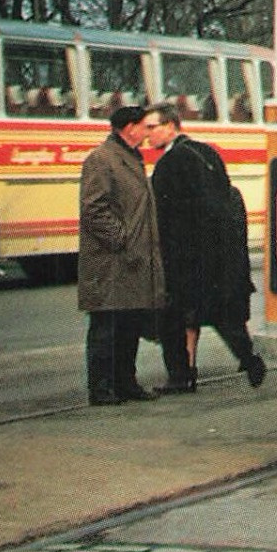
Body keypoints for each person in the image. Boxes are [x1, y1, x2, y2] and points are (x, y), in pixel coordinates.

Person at [146, 104, 267, 387]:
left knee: (175, 317)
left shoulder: (169, 163)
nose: (147, 135)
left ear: (171, 126)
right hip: (218, 250)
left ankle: (181, 376)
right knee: (221, 315)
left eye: (153, 127)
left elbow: (163, 216)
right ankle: (249, 359)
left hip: (185, 255)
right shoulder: (207, 151)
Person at [77, 105, 164, 405]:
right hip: (111, 262)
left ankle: (126, 383)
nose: (148, 132)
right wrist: (122, 240)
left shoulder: (129, 158)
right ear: (129, 128)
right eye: (145, 126)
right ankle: (101, 388)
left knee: (128, 326)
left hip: (129, 262)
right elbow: (94, 208)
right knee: (107, 328)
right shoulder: (102, 160)